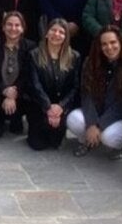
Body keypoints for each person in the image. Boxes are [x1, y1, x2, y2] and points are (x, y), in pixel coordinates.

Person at [68, 26, 122, 158]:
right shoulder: (89, 63)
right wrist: (91, 123)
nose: (109, 47)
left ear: (120, 43)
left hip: (117, 117)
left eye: (113, 42)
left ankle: (118, 147)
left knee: (109, 137)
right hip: (95, 112)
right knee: (73, 119)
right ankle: (87, 140)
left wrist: (99, 125)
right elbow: (86, 96)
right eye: (104, 44)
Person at [25, 19, 81, 151]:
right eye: (53, 30)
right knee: (37, 145)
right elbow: (34, 84)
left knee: (55, 143)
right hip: (40, 105)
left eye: (61, 32)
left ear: (66, 37)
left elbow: (75, 86)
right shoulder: (34, 54)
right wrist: (48, 107)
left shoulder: (74, 56)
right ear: (46, 33)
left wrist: (60, 107)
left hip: (61, 106)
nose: (56, 34)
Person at [0, 12, 34, 140]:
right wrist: (4, 90)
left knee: (16, 129)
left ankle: (15, 118)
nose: (13, 28)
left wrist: (13, 93)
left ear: (23, 28)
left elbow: (28, 75)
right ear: (3, 27)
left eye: (17, 25)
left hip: (19, 98)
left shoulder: (31, 47)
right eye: (9, 24)